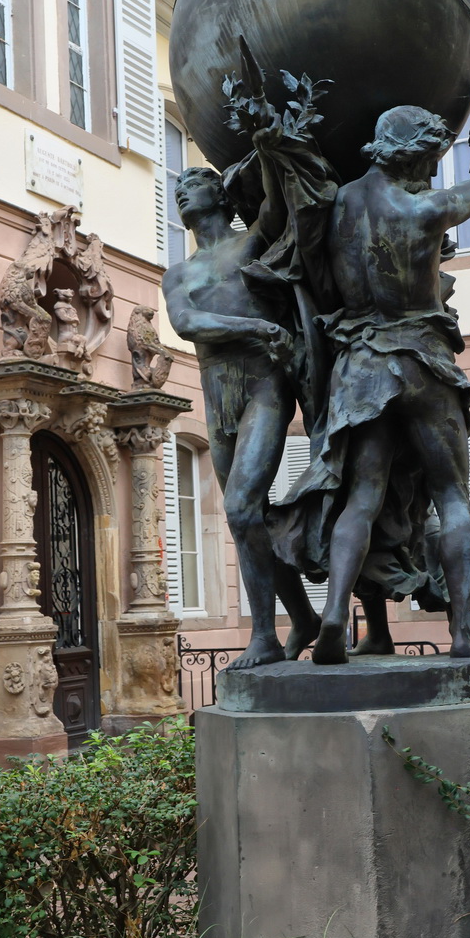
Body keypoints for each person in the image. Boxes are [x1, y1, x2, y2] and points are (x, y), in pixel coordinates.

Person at [272, 101, 470, 664]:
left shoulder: (339, 203)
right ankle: (463, 633)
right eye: (429, 158)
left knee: (362, 496)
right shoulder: (422, 209)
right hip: (422, 360)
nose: (431, 170)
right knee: (452, 494)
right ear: (413, 155)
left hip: (362, 368)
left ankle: (334, 615)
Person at [162, 164, 321, 668]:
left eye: (196, 185)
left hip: (265, 384)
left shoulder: (250, 242)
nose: (184, 193)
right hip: (218, 390)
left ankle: (263, 637)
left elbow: (279, 206)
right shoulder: (178, 273)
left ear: (223, 195)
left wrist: (269, 150)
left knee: (240, 506)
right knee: (246, 518)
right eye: (179, 189)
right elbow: (187, 324)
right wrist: (254, 325)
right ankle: (303, 618)